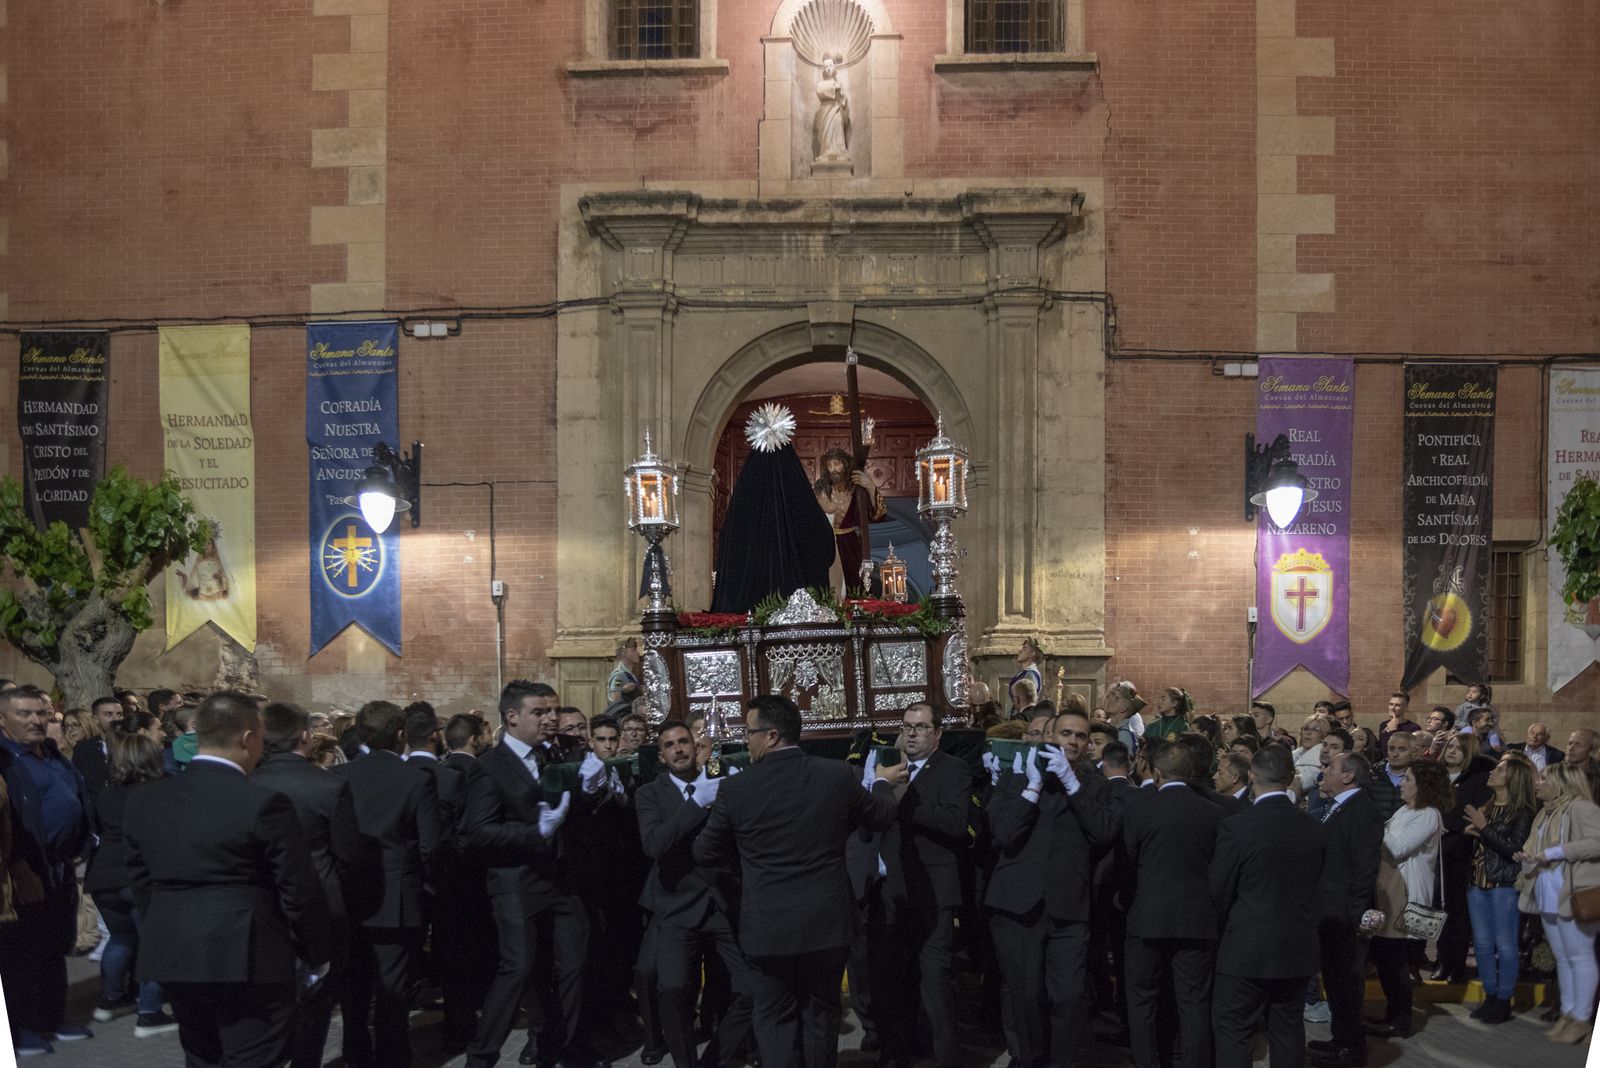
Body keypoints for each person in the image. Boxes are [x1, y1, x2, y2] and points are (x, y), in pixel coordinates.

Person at [123, 690, 332, 1068]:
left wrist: (163, 925)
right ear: (249, 738)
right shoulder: (263, 802)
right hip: (247, 954)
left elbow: (141, 881)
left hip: (172, 949)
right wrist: (315, 953)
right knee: (255, 1055)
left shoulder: (145, 801)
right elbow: (297, 887)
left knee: (201, 1053)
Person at [692, 694, 900, 1068]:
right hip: (827, 922)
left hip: (768, 925)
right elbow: (881, 816)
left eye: (750, 732)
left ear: (771, 735)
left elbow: (704, 853)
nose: (747, 740)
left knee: (774, 1018)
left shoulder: (737, 788)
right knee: (821, 1016)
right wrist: (882, 783)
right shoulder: (834, 775)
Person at [463, 680, 599, 1068]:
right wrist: (534, 832)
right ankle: (482, 1056)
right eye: (539, 712)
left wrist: (594, 787)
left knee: (574, 965)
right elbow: (478, 831)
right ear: (512, 717)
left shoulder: (561, 753)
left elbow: (576, 810)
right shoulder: (489, 767)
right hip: (516, 882)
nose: (551, 719)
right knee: (519, 967)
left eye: (554, 710)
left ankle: (567, 1051)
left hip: (563, 880)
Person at [985, 707, 1119, 1068]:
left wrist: (1073, 786)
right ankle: (1030, 1060)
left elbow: (1104, 832)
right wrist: (1032, 786)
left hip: (1069, 907)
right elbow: (1003, 834)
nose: (1073, 741)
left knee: (1069, 996)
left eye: (1080, 736)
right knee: (1025, 997)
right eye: (1065, 734)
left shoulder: (1095, 785)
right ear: (1049, 737)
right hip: (1018, 905)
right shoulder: (1016, 778)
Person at [252, 701, 366, 1068]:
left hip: (262, 905)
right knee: (315, 1002)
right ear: (304, 735)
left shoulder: (246, 783)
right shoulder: (328, 786)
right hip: (321, 902)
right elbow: (348, 854)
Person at [635, 720, 754, 1068]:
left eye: (684, 742)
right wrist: (696, 803)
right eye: (670, 745)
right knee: (672, 990)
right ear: (661, 755)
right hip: (676, 906)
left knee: (750, 989)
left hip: (721, 903)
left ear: (695, 745)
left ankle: (713, 1060)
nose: (679, 750)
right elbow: (654, 843)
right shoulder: (650, 794)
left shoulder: (722, 784)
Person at [334, 699, 443, 1068]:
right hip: (397, 898)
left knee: (354, 987)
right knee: (394, 990)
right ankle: (393, 1056)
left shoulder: (338, 777)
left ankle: (355, 1054)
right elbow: (429, 846)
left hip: (349, 897)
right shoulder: (415, 779)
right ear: (401, 735)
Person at [862, 702, 970, 1068]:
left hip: (932, 893)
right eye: (907, 725)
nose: (911, 732)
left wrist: (904, 799)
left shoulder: (953, 770)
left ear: (937, 733)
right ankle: (896, 1055)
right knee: (894, 983)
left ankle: (947, 1058)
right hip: (890, 890)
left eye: (921, 727)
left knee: (935, 985)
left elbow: (955, 823)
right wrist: (874, 786)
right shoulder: (889, 769)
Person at [1210, 746, 1327, 1068]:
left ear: (1251, 776)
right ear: (1290, 778)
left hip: (1245, 946)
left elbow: (1219, 890)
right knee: (1288, 1029)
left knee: (1234, 1029)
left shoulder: (1238, 827)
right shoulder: (1314, 828)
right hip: (1296, 945)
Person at [0, 685, 94, 1057]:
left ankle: (52, 1017)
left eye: (41, 713)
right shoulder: (5, 760)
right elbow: (12, 821)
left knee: (55, 945)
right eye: (24, 714)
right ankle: (21, 1027)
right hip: (25, 871)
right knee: (22, 953)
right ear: (3, 719)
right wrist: (20, 866)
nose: (36, 720)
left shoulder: (52, 754)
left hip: (60, 866)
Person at [1122, 740, 1224, 1068]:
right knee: (1193, 1004)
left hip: (1147, 917)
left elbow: (1128, 861)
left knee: (1142, 1001)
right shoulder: (1213, 813)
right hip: (1196, 919)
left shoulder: (1140, 807)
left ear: (1157, 771)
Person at [82, 729, 177, 1037]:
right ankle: (149, 1012)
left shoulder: (108, 793)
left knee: (120, 939)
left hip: (103, 874)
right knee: (153, 941)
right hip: (137, 875)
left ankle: (109, 1000)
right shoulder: (160, 790)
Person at [1307, 753, 1384, 1068]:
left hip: (1344, 915)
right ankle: (1340, 1039)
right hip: (1331, 911)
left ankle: (1352, 1050)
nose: (1323, 771)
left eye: (1330, 767)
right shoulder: (1340, 807)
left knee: (1346, 983)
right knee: (1336, 982)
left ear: (1349, 776)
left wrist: (1353, 917)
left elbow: (1364, 869)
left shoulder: (1362, 811)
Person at [1516, 762, 1600, 1045]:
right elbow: (1534, 847)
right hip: (1548, 892)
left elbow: (1597, 842)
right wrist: (1527, 856)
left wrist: (1553, 852)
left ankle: (1582, 1019)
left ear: (1562, 782)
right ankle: (1568, 1013)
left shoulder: (1581, 808)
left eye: (1543, 778)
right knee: (1563, 958)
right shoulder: (1545, 812)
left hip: (1574, 893)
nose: (1537, 782)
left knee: (1580, 956)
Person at [1366, 760, 1450, 1039]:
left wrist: (1375, 824)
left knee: (1397, 962)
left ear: (1423, 785)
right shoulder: (1405, 810)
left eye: (1408, 779)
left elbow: (1398, 848)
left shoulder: (1429, 815)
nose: (1401, 783)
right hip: (1392, 892)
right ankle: (1393, 1014)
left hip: (1410, 895)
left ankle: (1401, 1020)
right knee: (1387, 959)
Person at [1460, 752, 1538, 1024]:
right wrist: (1472, 831)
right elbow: (1480, 838)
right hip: (1478, 882)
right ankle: (1490, 996)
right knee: (1481, 944)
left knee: (1505, 945)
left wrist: (1483, 829)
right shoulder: (1488, 805)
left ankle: (1504, 1000)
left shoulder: (1524, 811)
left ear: (1513, 779)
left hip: (1503, 883)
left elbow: (1514, 850)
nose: (1493, 772)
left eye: (1501, 769)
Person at [813, 446, 886, 593]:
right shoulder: (820, 491)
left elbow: (878, 515)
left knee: (855, 585)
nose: (833, 469)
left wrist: (870, 487)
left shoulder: (858, 492)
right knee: (828, 587)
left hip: (850, 544)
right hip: (826, 543)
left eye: (837, 464)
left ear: (846, 464)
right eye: (829, 465)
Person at [1293, 717, 1327, 797]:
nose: (1308, 732)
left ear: (1323, 736)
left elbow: (1303, 783)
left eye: (1315, 729)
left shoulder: (1319, 760)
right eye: (1305, 729)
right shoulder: (1293, 754)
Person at [607, 639, 642, 703]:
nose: (638, 653)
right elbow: (616, 701)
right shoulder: (619, 675)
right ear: (623, 653)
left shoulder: (631, 674)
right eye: (633, 650)